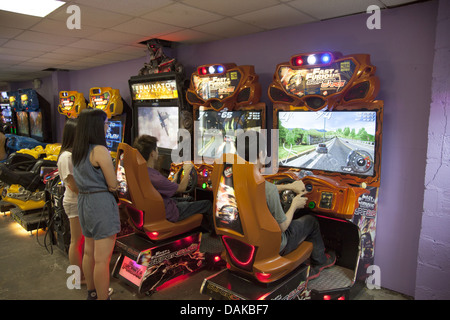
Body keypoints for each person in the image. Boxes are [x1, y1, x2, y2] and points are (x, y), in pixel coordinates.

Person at [235, 131, 335, 280]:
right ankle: (320, 262)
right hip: (274, 245)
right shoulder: (267, 189)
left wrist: (289, 187)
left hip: (243, 241)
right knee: (311, 221)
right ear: (261, 153)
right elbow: (283, 227)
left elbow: (264, 189)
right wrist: (294, 204)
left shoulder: (234, 180)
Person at [72, 109, 120, 300]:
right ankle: (103, 297)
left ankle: (92, 293)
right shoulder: (99, 150)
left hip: (84, 201)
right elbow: (113, 184)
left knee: (89, 252)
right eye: (105, 122)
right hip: (100, 203)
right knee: (102, 260)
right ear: (96, 126)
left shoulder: (77, 150)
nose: (107, 126)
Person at [132, 134, 213, 232]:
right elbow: (182, 188)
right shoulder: (156, 178)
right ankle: (213, 235)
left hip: (158, 207)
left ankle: (199, 229)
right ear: (152, 154)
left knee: (190, 198)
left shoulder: (143, 172)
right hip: (170, 212)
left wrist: (177, 175)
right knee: (207, 204)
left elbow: (167, 186)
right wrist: (187, 170)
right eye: (156, 149)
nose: (157, 151)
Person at [56, 118, 85, 285]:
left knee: (79, 241)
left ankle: (79, 276)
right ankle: (76, 278)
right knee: (76, 241)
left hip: (77, 200)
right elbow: (74, 186)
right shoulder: (67, 157)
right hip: (74, 202)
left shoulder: (71, 154)